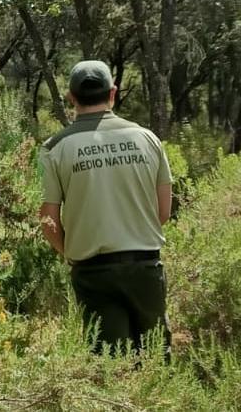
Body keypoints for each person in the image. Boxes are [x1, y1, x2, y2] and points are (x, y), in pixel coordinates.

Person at [38, 60, 173, 356]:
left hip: (92, 272)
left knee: (111, 370)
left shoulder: (54, 147)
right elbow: (163, 211)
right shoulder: (147, 139)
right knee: (154, 363)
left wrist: (70, 253)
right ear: (112, 93)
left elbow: (48, 220)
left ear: (71, 97)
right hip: (145, 267)